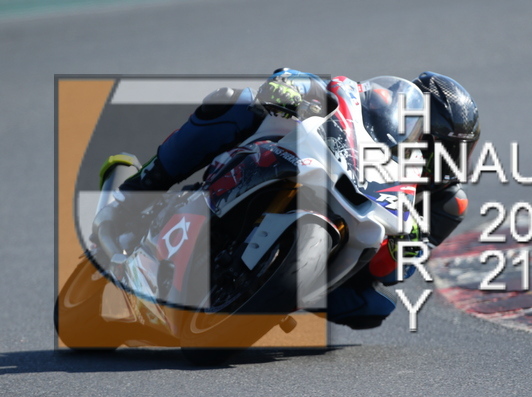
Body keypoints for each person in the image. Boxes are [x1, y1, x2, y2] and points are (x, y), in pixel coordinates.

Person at [100, 68, 480, 330]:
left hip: (353, 253)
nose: (440, 161)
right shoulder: (374, 106)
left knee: (372, 308)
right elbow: (321, 88)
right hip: (326, 165)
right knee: (235, 103)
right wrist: (291, 86)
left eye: (454, 152)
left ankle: (270, 287)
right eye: (433, 147)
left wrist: (401, 251)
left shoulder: (446, 203)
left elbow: (393, 274)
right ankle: (136, 192)